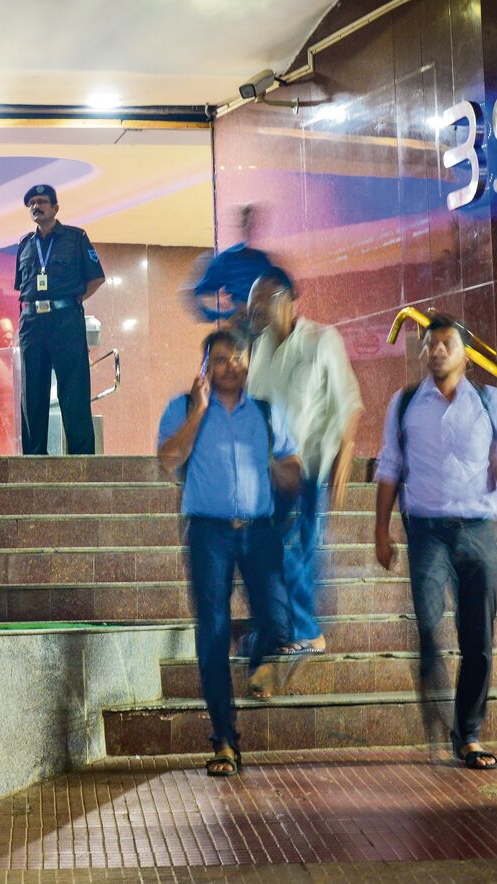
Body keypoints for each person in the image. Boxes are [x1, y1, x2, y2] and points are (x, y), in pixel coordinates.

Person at [371, 314, 497, 771]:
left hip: (479, 531)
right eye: (431, 344)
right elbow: (390, 467)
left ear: (466, 355)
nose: (438, 350)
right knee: (427, 625)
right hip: (426, 531)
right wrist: (381, 530)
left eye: (447, 343)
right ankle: (435, 695)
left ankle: (469, 733)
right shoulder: (405, 403)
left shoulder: (488, 401)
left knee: (478, 638)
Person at [157, 328, 302, 777]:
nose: (231, 366)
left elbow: (293, 463)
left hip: (259, 532)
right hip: (209, 534)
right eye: (221, 359)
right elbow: (168, 459)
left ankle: (258, 650)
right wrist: (199, 411)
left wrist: (283, 472)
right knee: (214, 633)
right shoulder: (183, 408)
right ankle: (224, 740)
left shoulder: (266, 412)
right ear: (206, 367)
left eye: (239, 357)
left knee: (279, 622)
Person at [244, 268, 363, 658]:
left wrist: (345, 452)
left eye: (261, 301)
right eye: (252, 302)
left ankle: (308, 632)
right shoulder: (260, 347)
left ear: (285, 300)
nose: (254, 309)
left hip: (310, 468)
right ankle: (281, 627)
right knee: (272, 551)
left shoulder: (321, 340)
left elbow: (348, 399)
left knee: (298, 549)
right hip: (270, 470)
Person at [14, 184, 105, 455]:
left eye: (42, 201)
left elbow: (96, 278)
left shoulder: (76, 238)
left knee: (73, 390)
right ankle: (33, 459)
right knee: (32, 392)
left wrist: (72, 302)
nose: (36, 206)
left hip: (66, 321)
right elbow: (22, 287)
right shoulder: (25, 245)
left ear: (55, 208)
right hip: (32, 324)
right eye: (32, 203)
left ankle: (82, 459)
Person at [186, 204, 283, 324]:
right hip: (240, 328)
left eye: (260, 226)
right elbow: (193, 294)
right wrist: (220, 315)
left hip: (265, 326)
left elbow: (284, 293)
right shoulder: (227, 259)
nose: (256, 230)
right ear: (243, 228)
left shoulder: (265, 260)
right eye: (252, 226)